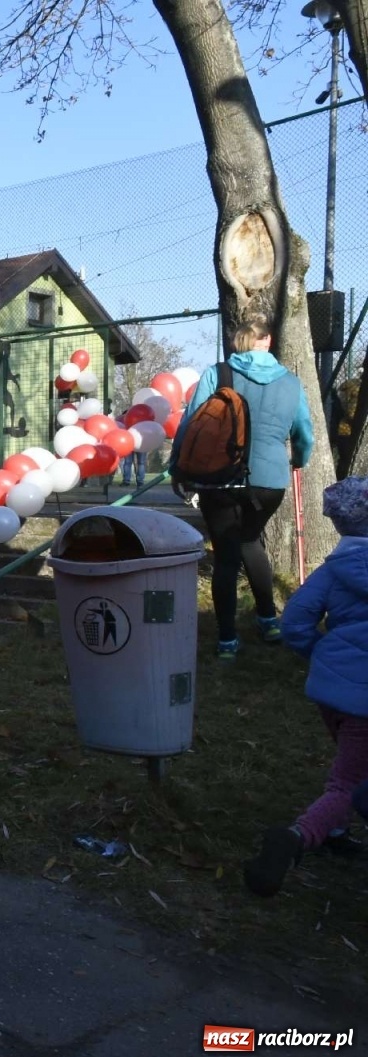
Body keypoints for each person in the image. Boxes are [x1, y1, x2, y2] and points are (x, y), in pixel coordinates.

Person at [244, 476, 368, 896]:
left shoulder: (332, 572)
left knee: (349, 762)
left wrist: (323, 657)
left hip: (332, 692)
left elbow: (295, 621)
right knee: (350, 783)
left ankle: (334, 832)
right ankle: (298, 837)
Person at [170, 314, 313, 661]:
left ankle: (227, 640)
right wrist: (299, 461)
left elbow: (191, 424)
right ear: (267, 343)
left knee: (226, 556)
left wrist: (178, 467)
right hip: (270, 481)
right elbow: (303, 433)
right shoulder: (291, 382)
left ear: (239, 344)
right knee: (250, 542)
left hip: (219, 478)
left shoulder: (218, 374)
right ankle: (268, 619)